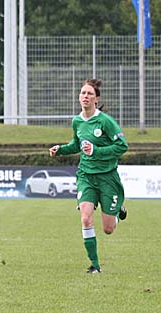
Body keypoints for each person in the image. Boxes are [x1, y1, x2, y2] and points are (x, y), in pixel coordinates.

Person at [49, 79, 128, 274]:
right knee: (85, 219)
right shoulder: (76, 121)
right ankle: (95, 265)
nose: (85, 96)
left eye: (90, 93)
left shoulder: (105, 121)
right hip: (86, 176)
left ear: (96, 99)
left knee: (108, 229)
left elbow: (122, 146)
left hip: (107, 177)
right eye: (83, 93)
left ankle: (117, 211)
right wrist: (60, 149)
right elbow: (77, 145)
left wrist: (96, 151)